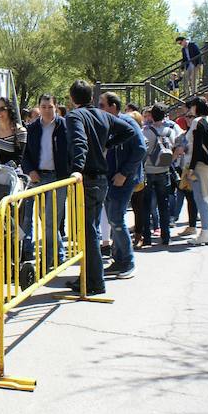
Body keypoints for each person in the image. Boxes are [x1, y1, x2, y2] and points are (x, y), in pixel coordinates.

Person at [65, 80, 136, 295]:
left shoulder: (74, 116)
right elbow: (128, 131)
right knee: (91, 231)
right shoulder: (102, 115)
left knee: (88, 233)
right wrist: (107, 144)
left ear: (72, 99)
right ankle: (88, 278)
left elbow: (79, 142)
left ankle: (95, 282)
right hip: (101, 180)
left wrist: (77, 168)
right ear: (91, 98)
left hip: (86, 180)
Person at [98, 92, 145, 279]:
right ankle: (118, 260)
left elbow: (140, 149)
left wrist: (124, 173)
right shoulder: (107, 123)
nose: (99, 108)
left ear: (113, 107)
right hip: (110, 178)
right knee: (112, 219)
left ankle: (128, 261)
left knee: (116, 218)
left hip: (124, 179)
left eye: (102, 105)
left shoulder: (128, 123)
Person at [20, 94, 68, 269]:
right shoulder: (32, 128)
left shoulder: (65, 126)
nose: (47, 110)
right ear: (39, 108)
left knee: (50, 220)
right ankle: (59, 254)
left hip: (59, 178)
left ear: (56, 107)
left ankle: (47, 260)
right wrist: (30, 170)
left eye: (50, 106)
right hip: (39, 177)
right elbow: (25, 156)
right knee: (45, 219)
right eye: (43, 106)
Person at [140, 103, 177, 247]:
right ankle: (166, 236)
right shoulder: (170, 131)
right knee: (164, 205)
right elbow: (176, 148)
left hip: (149, 171)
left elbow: (143, 150)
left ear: (151, 116)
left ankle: (147, 237)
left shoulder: (146, 131)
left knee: (147, 205)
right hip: (164, 171)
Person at [183, 97, 208, 246]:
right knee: (205, 197)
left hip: (199, 165)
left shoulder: (197, 122)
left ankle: (205, 233)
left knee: (201, 199)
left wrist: (191, 168)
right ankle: (205, 232)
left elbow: (196, 147)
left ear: (196, 107)